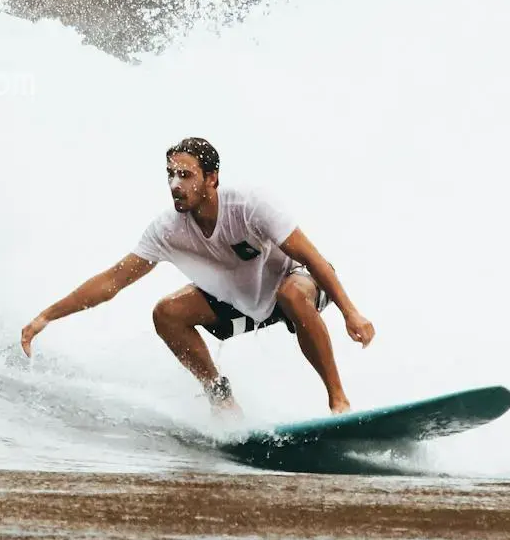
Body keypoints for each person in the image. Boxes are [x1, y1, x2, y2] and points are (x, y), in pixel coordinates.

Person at [19, 137, 375, 415]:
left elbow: (314, 259)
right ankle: (220, 399)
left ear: (212, 178)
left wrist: (350, 312)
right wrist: (46, 316)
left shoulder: (250, 206)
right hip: (246, 303)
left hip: (297, 281)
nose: (175, 184)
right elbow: (112, 281)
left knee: (292, 295)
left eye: (185, 175)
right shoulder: (167, 229)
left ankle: (338, 400)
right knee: (167, 312)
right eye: (171, 175)